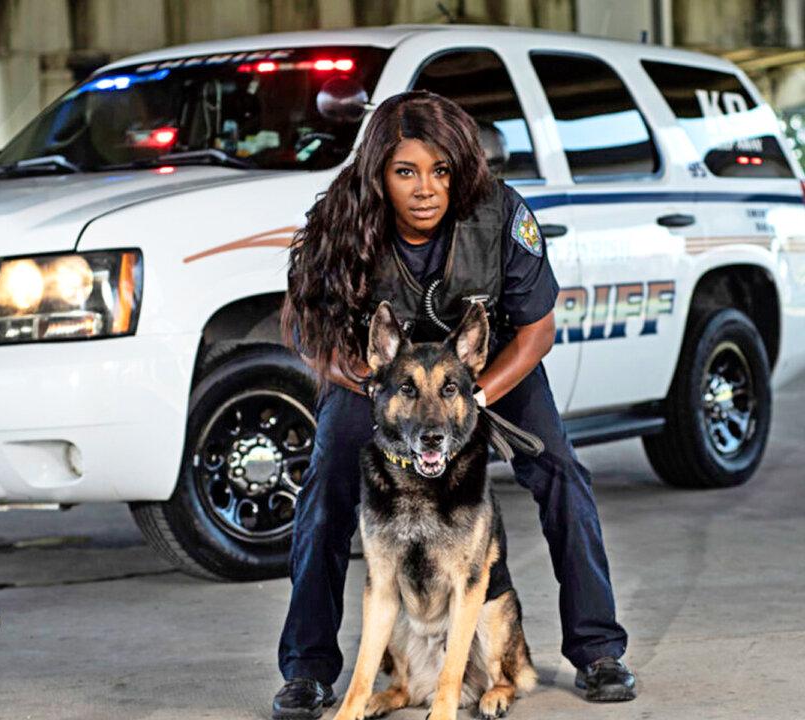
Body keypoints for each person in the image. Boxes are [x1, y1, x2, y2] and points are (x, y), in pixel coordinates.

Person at [271, 91, 637, 720]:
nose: (425, 189)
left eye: (439, 171)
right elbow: (310, 332)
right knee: (327, 483)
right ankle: (307, 670)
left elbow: (537, 330)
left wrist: (477, 397)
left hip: (483, 373)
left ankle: (598, 648)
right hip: (385, 385)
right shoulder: (341, 215)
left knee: (561, 474)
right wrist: (365, 382)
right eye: (405, 172)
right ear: (379, 174)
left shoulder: (498, 213)